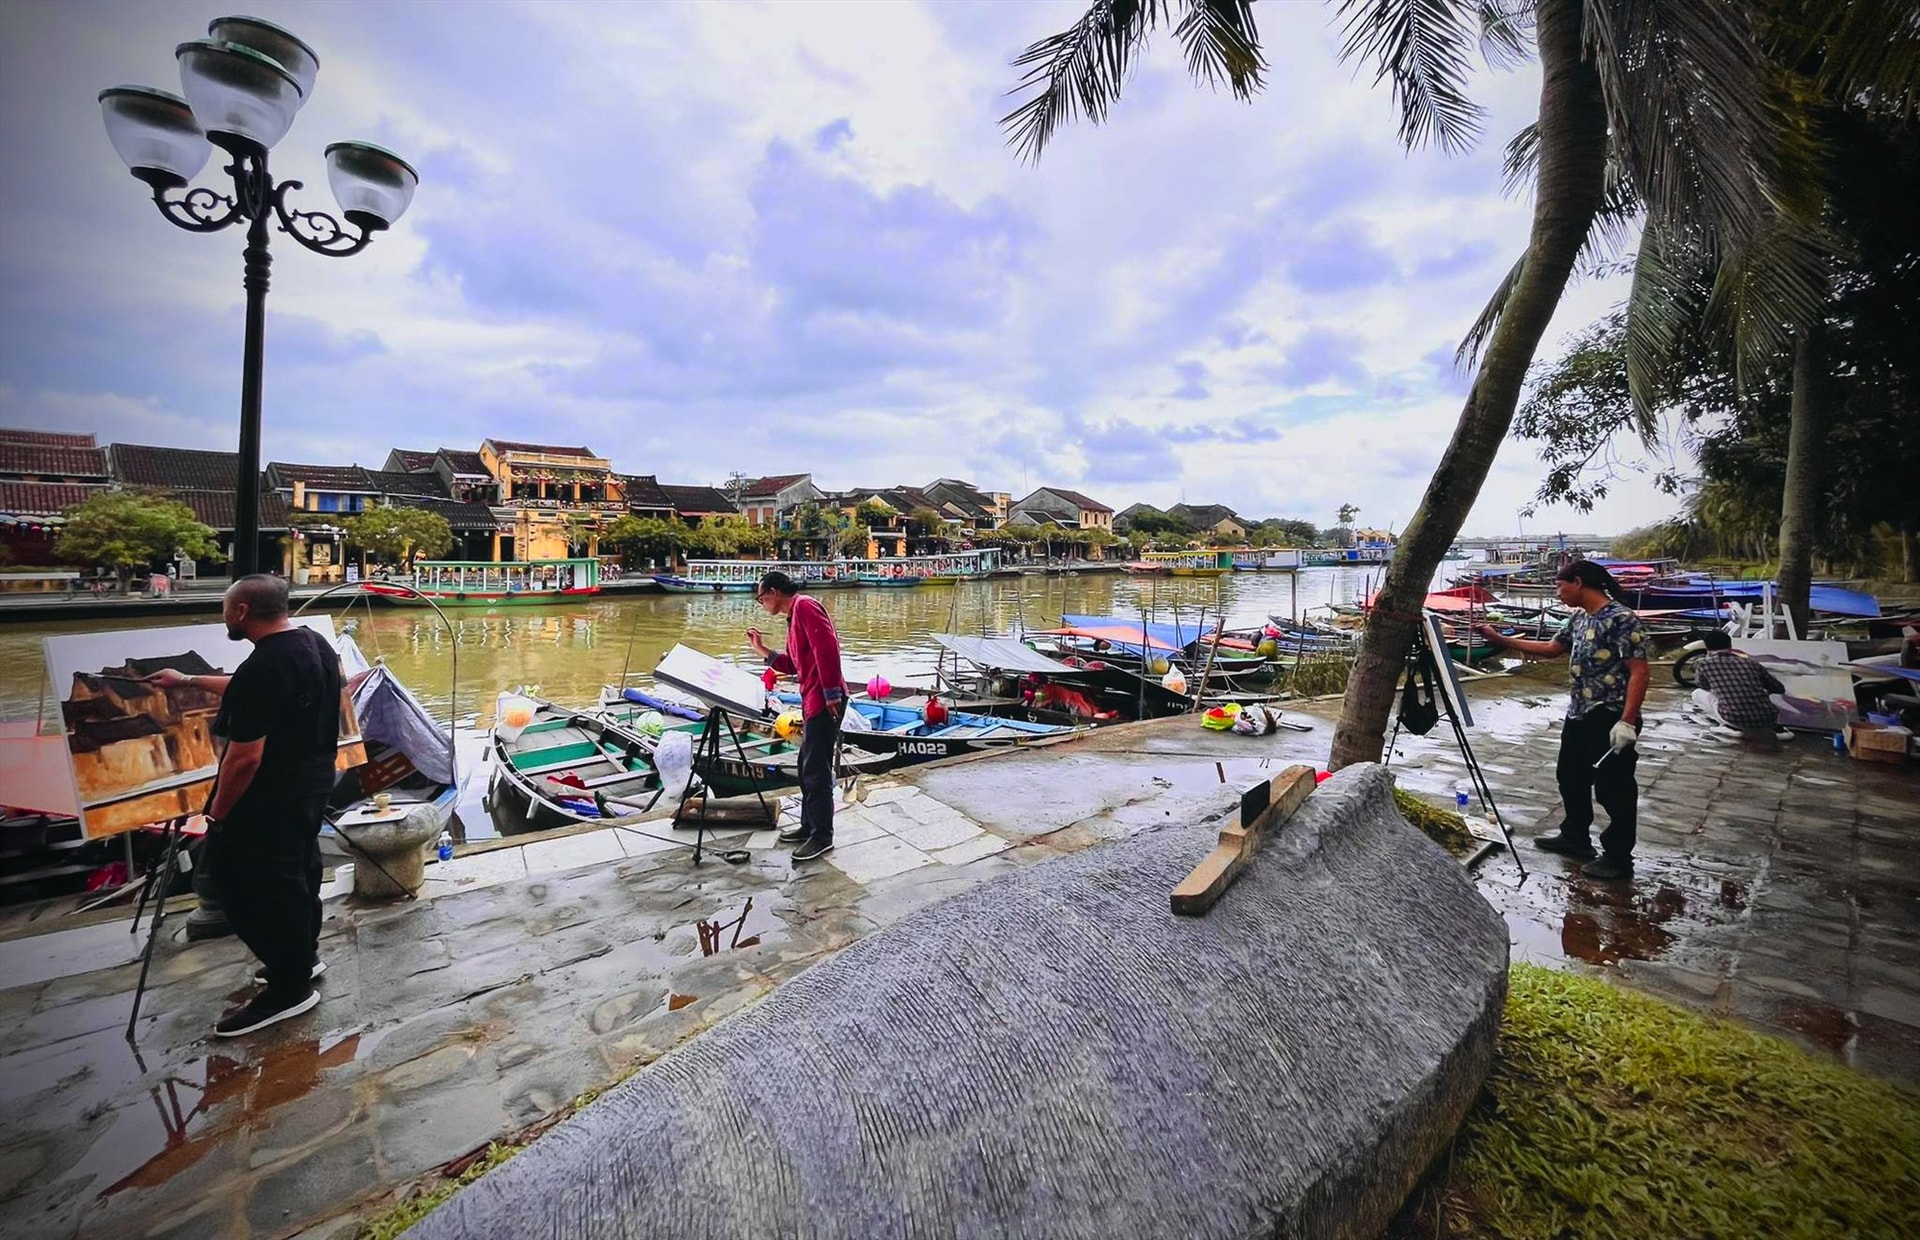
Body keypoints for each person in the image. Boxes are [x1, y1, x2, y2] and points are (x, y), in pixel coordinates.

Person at [143, 574, 343, 1036]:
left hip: (269, 796)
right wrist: (186, 679)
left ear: (241, 613)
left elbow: (244, 758)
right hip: (312, 783)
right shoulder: (312, 644)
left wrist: (217, 814)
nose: (223, 614)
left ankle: (291, 988)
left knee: (250, 888)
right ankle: (300, 960)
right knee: (297, 873)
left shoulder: (265, 666)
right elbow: (250, 688)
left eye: (224, 607)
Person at [1476, 560, 1650, 882]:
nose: (1558, 594)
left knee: (1615, 789)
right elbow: (1552, 649)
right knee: (1570, 777)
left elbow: (1639, 672)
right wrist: (1501, 640)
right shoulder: (1579, 618)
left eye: (1560, 587)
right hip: (1579, 712)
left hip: (1610, 715)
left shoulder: (1622, 619)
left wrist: (1627, 721)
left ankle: (1618, 856)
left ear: (1579, 582)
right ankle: (1575, 837)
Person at [747, 570, 845, 862]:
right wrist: (761, 649)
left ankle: (822, 836)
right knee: (806, 767)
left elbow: (827, 649)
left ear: (774, 593)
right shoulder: (794, 617)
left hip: (824, 700)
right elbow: (793, 664)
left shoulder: (804, 605)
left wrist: (831, 694)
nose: (762, 603)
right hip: (812, 699)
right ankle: (808, 826)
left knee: (816, 770)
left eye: (762, 598)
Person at [1690, 631, 1791, 739]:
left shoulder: (1704, 664)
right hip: (1768, 718)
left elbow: (1704, 686)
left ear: (1707, 648)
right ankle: (1772, 729)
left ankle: (1729, 726)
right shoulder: (1751, 663)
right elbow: (1779, 689)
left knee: (1697, 693)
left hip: (1734, 718)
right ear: (1730, 645)